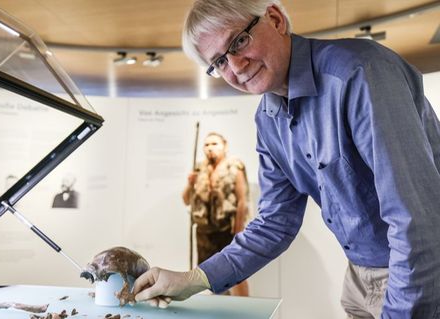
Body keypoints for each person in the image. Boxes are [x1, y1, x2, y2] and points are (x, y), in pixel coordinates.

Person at [133, 0, 440, 317]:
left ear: (275, 19)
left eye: (239, 41)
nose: (236, 66)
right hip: (360, 277)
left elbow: (416, 224)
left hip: (419, 272)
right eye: (220, 62)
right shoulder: (268, 121)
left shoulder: (358, 75)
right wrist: (194, 279)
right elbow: (274, 224)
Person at [182, 132, 249, 296]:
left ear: (224, 145)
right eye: (206, 145)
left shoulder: (234, 167)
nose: (210, 148)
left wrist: (238, 232)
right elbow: (186, 200)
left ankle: (245, 310)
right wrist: (190, 184)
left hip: (227, 230)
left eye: (214, 144)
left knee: (236, 272)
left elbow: (242, 201)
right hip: (204, 233)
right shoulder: (199, 169)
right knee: (208, 274)